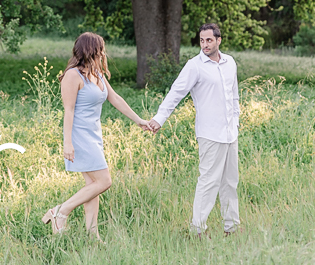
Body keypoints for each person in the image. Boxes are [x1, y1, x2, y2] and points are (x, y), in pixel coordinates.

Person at [42, 32, 153, 238]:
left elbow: (115, 98)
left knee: (93, 187)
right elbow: (69, 111)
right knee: (104, 181)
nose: (104, 52)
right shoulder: (73, 75)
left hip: (94, 135)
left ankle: (93, 236)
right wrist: (67, 143)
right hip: (79, 136)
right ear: (91, 49)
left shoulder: (97, 74)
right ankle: (60, 211)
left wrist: (139, 121)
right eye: (101, 48)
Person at [147, 23, 240, 237]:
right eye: (201, 40)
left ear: (219, 40)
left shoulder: (230, 63)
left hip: (230, 133)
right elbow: (176, 92)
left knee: (230, 182)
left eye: (209, 40)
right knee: (208, 182)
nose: (205, 44)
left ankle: (232, 227)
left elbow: (234, 95)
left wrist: (236, 119)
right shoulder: (194, 66)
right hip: (209, 133)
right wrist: (159, 119)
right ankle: (197, 229)